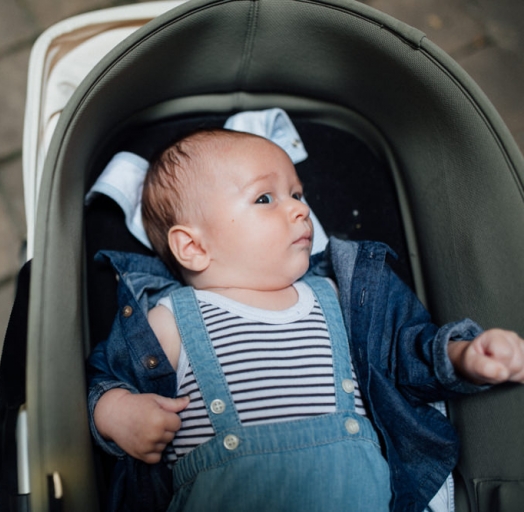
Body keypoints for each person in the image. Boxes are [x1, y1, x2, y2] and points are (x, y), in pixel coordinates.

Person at [86, 128, 524, 512]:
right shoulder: (171, 321)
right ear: (194, 248)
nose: (300, 209)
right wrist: (115, 412)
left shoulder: (339, 295)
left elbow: (404, 354)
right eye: (265, 198)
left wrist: (462, 355)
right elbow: (105, 377)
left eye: (297, 194)